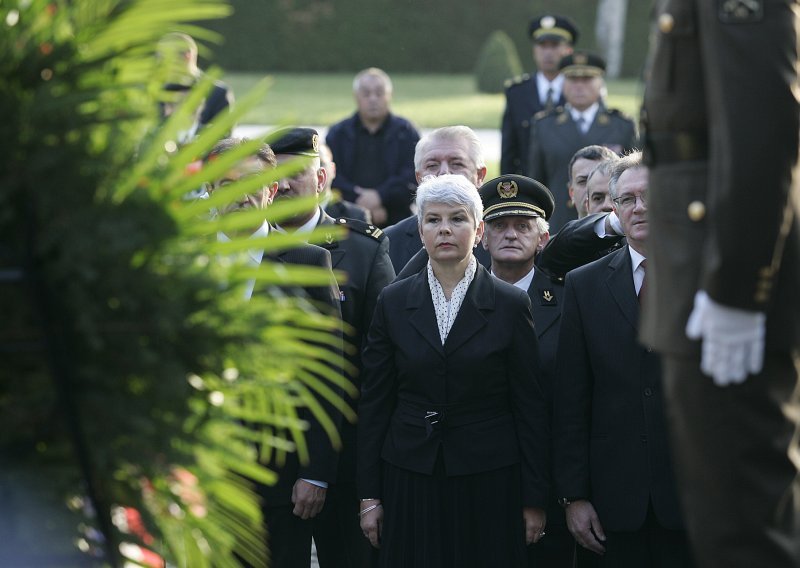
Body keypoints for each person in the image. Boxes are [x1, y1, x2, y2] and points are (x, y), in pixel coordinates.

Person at [640, 2, 800, 566]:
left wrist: (737, 288)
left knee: (743, 526)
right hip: (695, 267)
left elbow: (762, 127)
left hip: (717, 273)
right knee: (720, 517)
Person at [358, 174, 550, 568]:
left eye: (458, 219)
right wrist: (369, 496)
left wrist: (534, 499)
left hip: (489, 478)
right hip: (410, 475)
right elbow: (375, 403)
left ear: (478, 231)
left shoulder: (510, 304)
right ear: (420, 229)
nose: (445, 229)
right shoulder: (393, 302)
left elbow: (530, 407)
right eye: (433, 220)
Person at [202, 138, 344, 568]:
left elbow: (329, 375)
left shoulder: (308, 263)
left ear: (271, 190)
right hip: (206, 476)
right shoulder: (186, 262)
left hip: (283, 480)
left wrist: (316, 471)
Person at [553, 152, 692, 567]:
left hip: (695, 498)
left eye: (650, 195)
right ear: (614, 210)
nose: (641, 207)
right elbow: (571, 400)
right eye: (628, 199)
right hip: (613, 505)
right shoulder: (584, 285)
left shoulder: (706, 276)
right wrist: (574, 497)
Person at [270, 127, 396, 568]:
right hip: (271, 460)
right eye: (276, 176)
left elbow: (381, 360)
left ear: (321, 181)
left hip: (347, 459)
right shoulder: (247, 250)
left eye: (296, 175)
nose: (284, 186)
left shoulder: (362, 250)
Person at [478, 175, 574, 568]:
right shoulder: (462, 298)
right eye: (499, 225)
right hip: (480, 474)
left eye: (523, 226)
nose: (511, 235)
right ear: (482, 236)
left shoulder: (571, 300)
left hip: (553, 478)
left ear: (544, 238)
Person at [528, 52, 637, 232]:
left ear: (600, 83)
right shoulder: (544, 126)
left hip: (611, 225)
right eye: (572, 79)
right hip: (559, 224)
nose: (579, 86)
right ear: (563, 84)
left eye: (587, 79)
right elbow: (537, 182)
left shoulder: (622, 126)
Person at [384, 125, 491, 274]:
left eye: (457, 164)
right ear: (419, 178)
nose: (444, 173)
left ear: (480, 176)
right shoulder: (390, 242)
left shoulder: (503, 237)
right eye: (432, 165)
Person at [325, 68, 421, 227]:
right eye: (366, 94)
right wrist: (360, 203)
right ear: (356, 97)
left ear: (389, 96)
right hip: (345, 220)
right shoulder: (338, 133)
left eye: (379, 93)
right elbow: (332, 176)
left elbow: (413, 175)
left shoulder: (406, 132)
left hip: (398, 218)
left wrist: (380, 196)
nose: (373, 99)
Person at [501, 15, 578, 175]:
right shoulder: (517, 93)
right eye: (542, 45)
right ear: (534, 50)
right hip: (529, 188)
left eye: (555, 45)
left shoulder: (580, 91)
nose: (548, 52)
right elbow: (509, 152)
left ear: (568, 50)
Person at [156, 32, 234, 144]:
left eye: (164, 58)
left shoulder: (218, 93)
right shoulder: (155, 91)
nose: (160, 63)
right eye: (158, 57)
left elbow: (226, 140)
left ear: (187, 56)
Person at [319, 142, 372, 223]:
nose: (316, 171)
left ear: (333, 169)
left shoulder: (356, 217)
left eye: (321, 164)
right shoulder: (293, 214)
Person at [567, 145, 618, 219]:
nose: (591, 186)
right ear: (572, 193)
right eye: (583, 181)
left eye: (601, 178)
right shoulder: (562, 231)